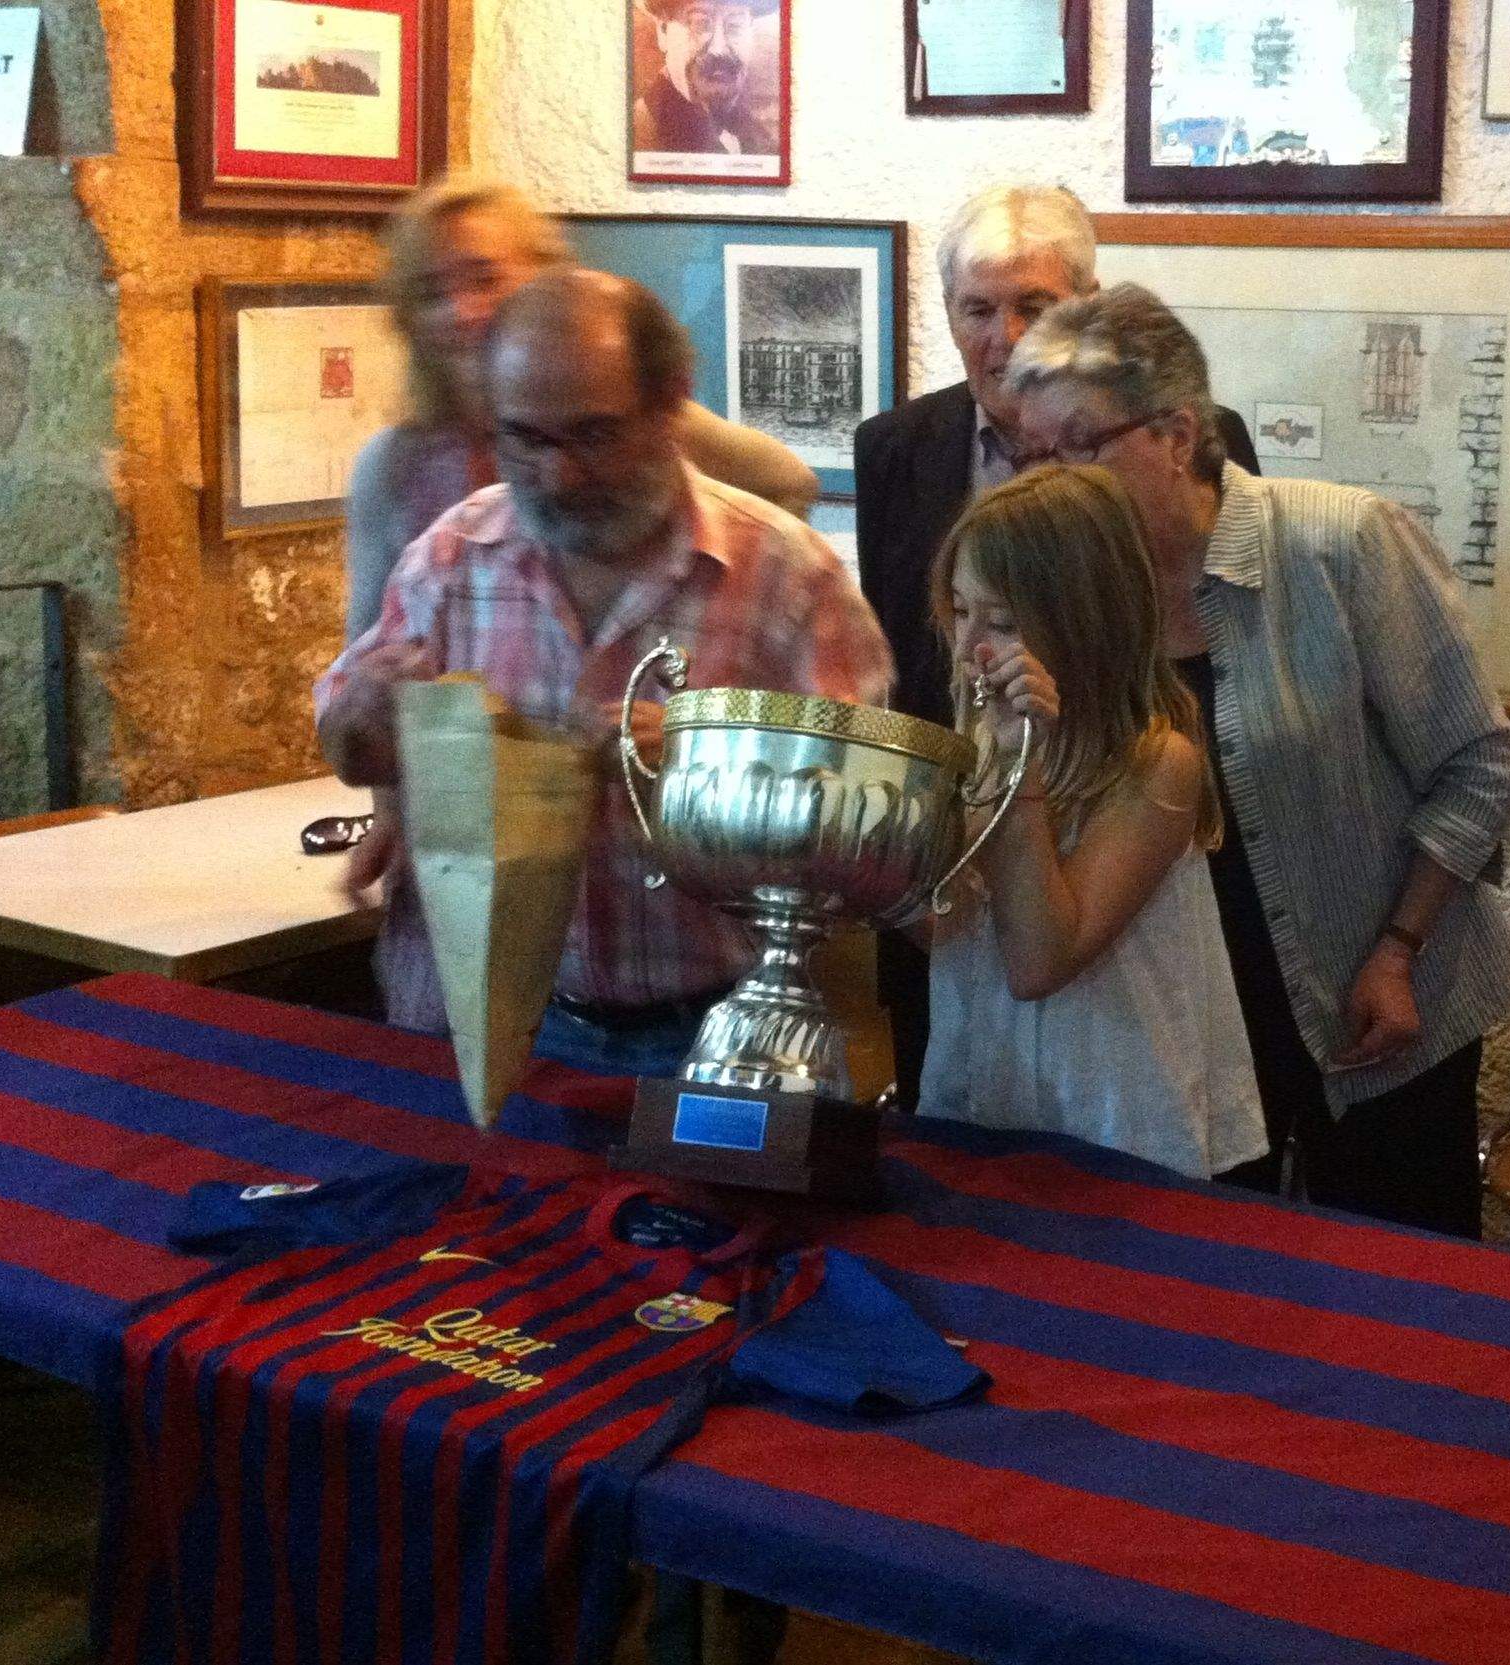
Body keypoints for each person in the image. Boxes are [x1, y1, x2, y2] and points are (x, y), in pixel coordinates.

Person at [1001, 283, 1510, 1238]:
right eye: (1032, 455)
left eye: (1080, 445)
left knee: (1397, 1299)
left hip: (1381, 1002)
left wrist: (1398, 951)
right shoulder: (1070, 596)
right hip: (1195, 1023)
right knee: (1221, 1304)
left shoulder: (1339, 541)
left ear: (1175, 431)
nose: (1054, 483)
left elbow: (1479, 765)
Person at [314, 270, 891, 1075]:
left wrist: (705, 776)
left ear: (671, 406)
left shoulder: (786, 576)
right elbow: (352, 746)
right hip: (496, 1023)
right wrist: (364, 717)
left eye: (593, 436)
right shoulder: (453, 558)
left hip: (717, 1033)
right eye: (526, 438)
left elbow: (870, 842)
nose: (558, 475)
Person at [854, 184, 1258, 1106]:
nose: (1004, 336)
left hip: (1117, 852)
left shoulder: (1170, 440)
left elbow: (1208, 628)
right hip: (973, 918)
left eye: (1033, 306)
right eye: (978, 309)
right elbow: (904, 661)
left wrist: (1034, 752)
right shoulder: (895, 449)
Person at [915, 464, 1266, 1180]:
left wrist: (1022, 769)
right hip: (984, 1100)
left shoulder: (1158, 763)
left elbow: (1040, 959)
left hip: (1113, 1126)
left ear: (1082, 621)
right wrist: (849, 867)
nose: (966, 646)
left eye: (1003, 622)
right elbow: (951, 931)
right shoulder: (976, 739)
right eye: (960, 611)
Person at [348, 176, 815, 645]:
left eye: (485, 279)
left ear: (546, 276)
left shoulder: (635, 422)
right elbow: (370, 646)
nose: (461, 310)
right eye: (432, 293)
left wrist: (725, 618)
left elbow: (786, 482)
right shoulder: (394, 466)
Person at [632, 0, 776, 156]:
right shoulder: (641, 133)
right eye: (699, 24)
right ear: (663, 31)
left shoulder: (759, 139)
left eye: (735, 26)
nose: (718, 49)